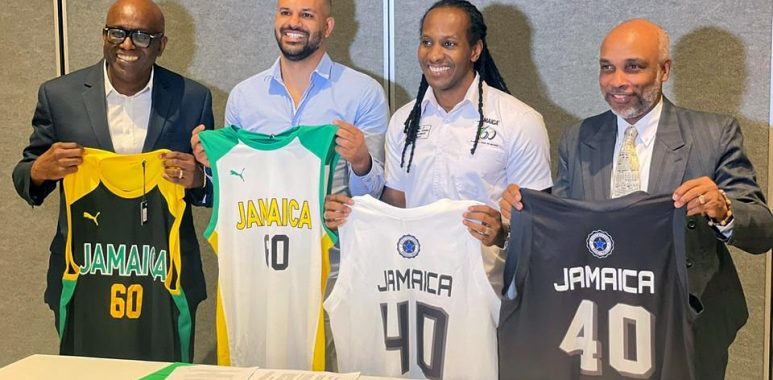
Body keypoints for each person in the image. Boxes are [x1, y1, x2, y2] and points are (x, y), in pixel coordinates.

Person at [500, 18, 773, 379]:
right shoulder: (579, 138)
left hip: (686, 324)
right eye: (607, 68)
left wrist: (723, 209)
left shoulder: (714, 133)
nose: (617, 82)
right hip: (599, 326)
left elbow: (762, 229)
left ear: (664, 70)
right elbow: (566, 235)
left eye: (633, 67)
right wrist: (520, 218)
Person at [12, 0, 213, 360]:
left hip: (164, 277)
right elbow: (26, 175)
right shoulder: (60, 96)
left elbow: (218, 188)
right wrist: (41, 170)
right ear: (104, 35)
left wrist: (200, 179)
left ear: (162, 44)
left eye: (141, 36)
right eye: (117, 32)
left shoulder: (192, 99)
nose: (127, 45)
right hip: (84, 272)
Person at [324, 0, 552, 291]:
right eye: (427, 42)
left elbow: (541, 224)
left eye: (449, 43)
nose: (434, 54)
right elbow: (396, 207)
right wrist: (354, 213)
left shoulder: (520, 121)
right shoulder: (404, 121)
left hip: (488, 294)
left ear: (475, 50)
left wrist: (501, 233)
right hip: (415, 286)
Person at [191, 0, 388, 197]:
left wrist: (361, 162)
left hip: (335, 227)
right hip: (261, 226)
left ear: (327, 27)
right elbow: (236, 188)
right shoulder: (243, 97)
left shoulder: (364, 92)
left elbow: (375, 196)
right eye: (285, 12)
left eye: (307, 15)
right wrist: (214, 165)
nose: (293, 23)